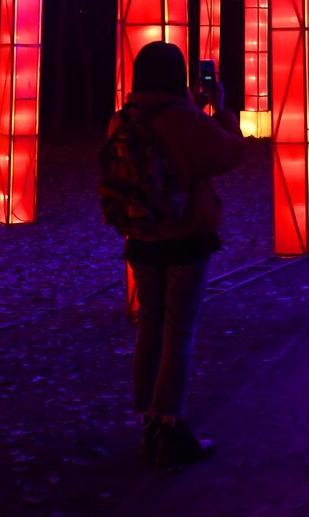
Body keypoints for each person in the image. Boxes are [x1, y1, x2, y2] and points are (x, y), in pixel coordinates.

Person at [100, 41, 244, 469]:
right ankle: (171, 427)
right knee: (179, 333)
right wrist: (218, 111)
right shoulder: (184, 119)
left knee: (150, 328)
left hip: (140, 237)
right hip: (184, 238)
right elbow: (230, 153)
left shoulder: (121, 120)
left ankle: (149, 421)